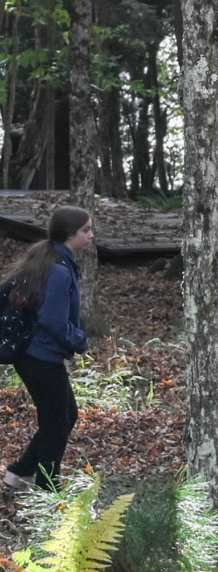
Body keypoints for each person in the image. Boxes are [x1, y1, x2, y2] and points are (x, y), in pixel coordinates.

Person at [2, 206, 94, 491]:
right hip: (38, 356)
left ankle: (20, 472)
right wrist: (80, 341)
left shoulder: (53, 259)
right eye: (86, 230)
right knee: (56, 422)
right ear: (70, 234)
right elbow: (53, 320)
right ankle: (47, 489)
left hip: (38, 355)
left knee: (66, 414)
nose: (91, 235)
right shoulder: (57, 270)